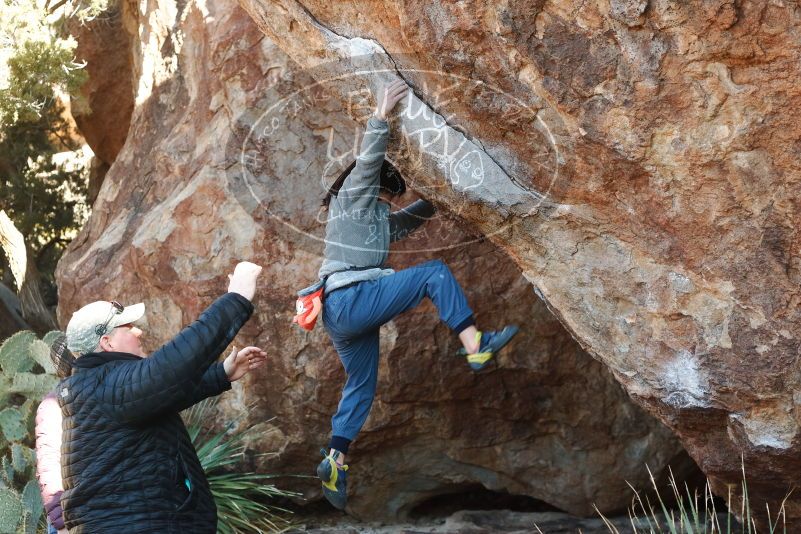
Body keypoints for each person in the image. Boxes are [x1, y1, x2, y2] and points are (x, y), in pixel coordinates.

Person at [315, 79, 519, 510]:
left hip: (340, 312)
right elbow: (368, 162)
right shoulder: (353, 196)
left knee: (361, 384)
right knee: (434, 274)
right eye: (389, 197)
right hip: (350, 300)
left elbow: (405, 222)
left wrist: (438, 198)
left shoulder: (370, 221)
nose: (390, 205)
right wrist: (382, 110)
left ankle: (335, 457)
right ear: (377, 190)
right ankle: (475, 345)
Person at [58, 261, 266, 533]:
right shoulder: (106, 384)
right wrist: (236, 298)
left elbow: (163, 395)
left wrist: (222, 374)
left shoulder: (99, 386)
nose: (138, 331)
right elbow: (169, 368)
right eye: (128, 327)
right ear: (107, 343)